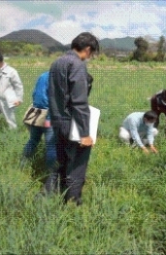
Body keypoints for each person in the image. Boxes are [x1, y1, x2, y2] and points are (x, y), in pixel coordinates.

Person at [47, 32, 99, 206]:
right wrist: (85, 133)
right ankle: (73, 201)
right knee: (78, 163)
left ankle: (49, 195)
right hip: (72, 123)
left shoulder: (56, 63)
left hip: (57, 120)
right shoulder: (77, 65)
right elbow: (79, 102)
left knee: (61, 160)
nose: (90, 57)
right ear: (87, 49)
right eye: (92, 53)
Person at [20, 71, 57, 175]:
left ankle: (21, 166)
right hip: (49, 116)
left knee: (33, 140)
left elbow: (35, 94)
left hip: (35, 114)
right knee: (51, 145)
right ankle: (51, 174)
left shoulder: (43, 75)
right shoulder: (60, 77)